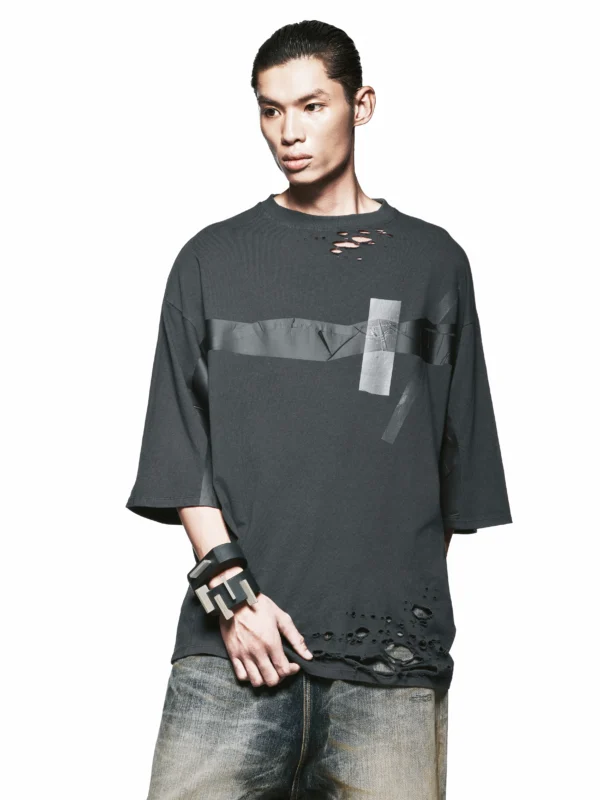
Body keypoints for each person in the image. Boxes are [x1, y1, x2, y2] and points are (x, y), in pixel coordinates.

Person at [125, 19, 512, 800]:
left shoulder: (433, 263)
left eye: (311, 106)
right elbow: (181, 447)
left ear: (360, 105)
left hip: (389, 668)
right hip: (234, 650)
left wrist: (385, 618)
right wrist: (234, 601)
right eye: (271, 110)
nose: (289, 133)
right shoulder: (211, 259)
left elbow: (449, 465)